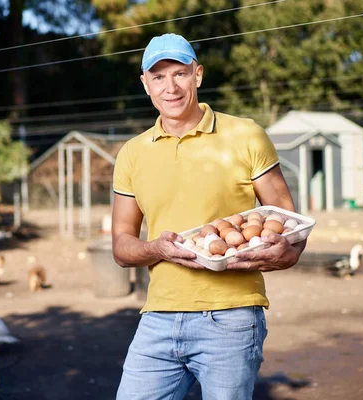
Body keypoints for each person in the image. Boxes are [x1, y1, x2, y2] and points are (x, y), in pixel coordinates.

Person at [111, 33, 307, 400]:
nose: (170, 87)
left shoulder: (246, 135)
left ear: (197, 75)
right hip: (158, 317)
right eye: (158, 76)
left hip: (230, 317)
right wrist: (158, 248)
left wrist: (289, 253)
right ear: (145, 85)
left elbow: (288, 223)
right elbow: (122, 247)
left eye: (180, 74)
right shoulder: (132, 154)